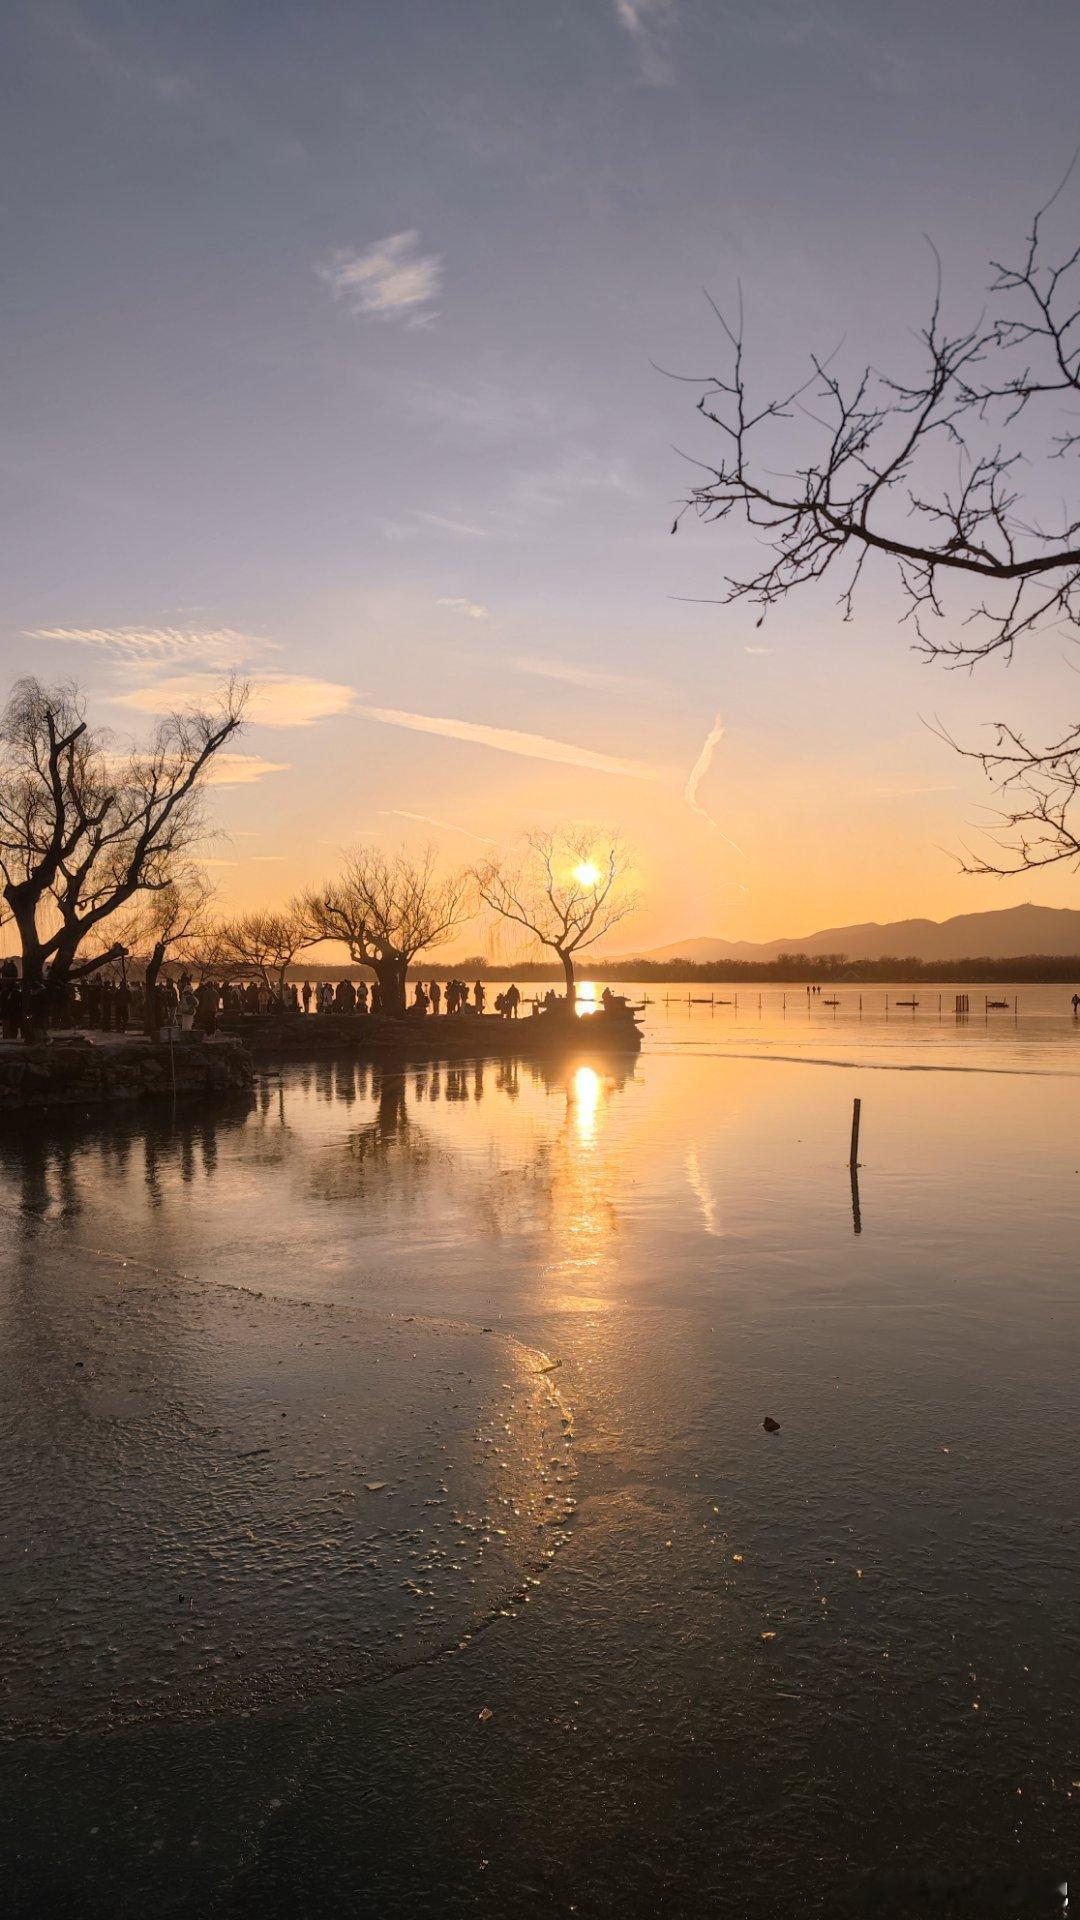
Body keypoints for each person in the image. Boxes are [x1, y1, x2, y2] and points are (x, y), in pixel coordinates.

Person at [0, 961, 20, 1041]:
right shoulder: (15, 993)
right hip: (11, 1012)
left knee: (8, 1025)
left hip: (8, 1012)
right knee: (11, 1025)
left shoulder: (6, 993)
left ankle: (8, 1037)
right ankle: (10, 1037)